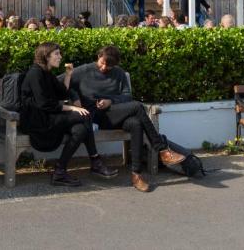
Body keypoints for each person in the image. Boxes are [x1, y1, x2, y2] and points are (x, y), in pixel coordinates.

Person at [68, 45, 186, 192]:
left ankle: (136, 175)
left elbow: (126, 96)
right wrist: (76, 99)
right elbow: (64, 83)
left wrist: (110, 101)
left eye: (109, 66)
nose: (104, 67)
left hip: (114, 113)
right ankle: (161, 149)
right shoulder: (84, 70)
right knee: (137, 107)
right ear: (98, 57)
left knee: (136, 124)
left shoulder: (119, 74)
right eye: (102, 63)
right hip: (94, 116)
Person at [19, 42, 117, 186]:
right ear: (46, 56)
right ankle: (95, 161)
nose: (60, 57)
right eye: (56, 54)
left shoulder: (47, 72)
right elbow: (44, 104)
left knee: (81, 129)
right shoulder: (35, 73)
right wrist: (72, 109)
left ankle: (60, 171)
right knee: (85, 115)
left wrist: (68, 75)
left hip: (49, 116)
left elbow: (62, 93)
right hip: (38, 120)